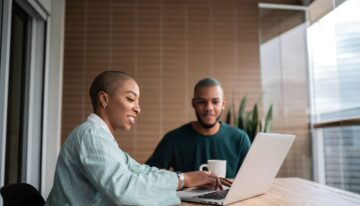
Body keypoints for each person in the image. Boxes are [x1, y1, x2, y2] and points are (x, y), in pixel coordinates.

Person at [45, 71, 232, 206]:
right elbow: (125, 192)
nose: (137, 108)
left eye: (138, 102)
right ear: (104, 99)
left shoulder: (104, 140)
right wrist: (183, 181)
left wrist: (185, 180)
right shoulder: (91, 136)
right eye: (130, 99)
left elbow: (140, 171)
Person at [146, 77, 251, 178]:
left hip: (228, 197)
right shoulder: (173, 139)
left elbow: (251, 180)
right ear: (194, 104)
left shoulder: (240, 139)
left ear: (223, 104)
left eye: (215, 102)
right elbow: (147, 175)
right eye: (201, 102)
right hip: (184, 197)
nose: (208, 108)